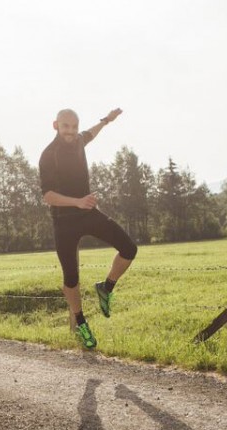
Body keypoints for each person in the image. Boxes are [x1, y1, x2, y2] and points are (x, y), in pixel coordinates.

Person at [39, 108, 137, 349]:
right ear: (56, 126)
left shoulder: (80, 140)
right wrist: (77, 201)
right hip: (64, 222)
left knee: (129, 248)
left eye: (74, 126)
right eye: (66, 126)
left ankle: (106, 287)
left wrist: (106, 120)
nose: (71, 131)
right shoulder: (48, 155)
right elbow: (48, 196)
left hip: (88, 214)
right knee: (71, 278)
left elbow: (91, 133)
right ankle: (81, 323)